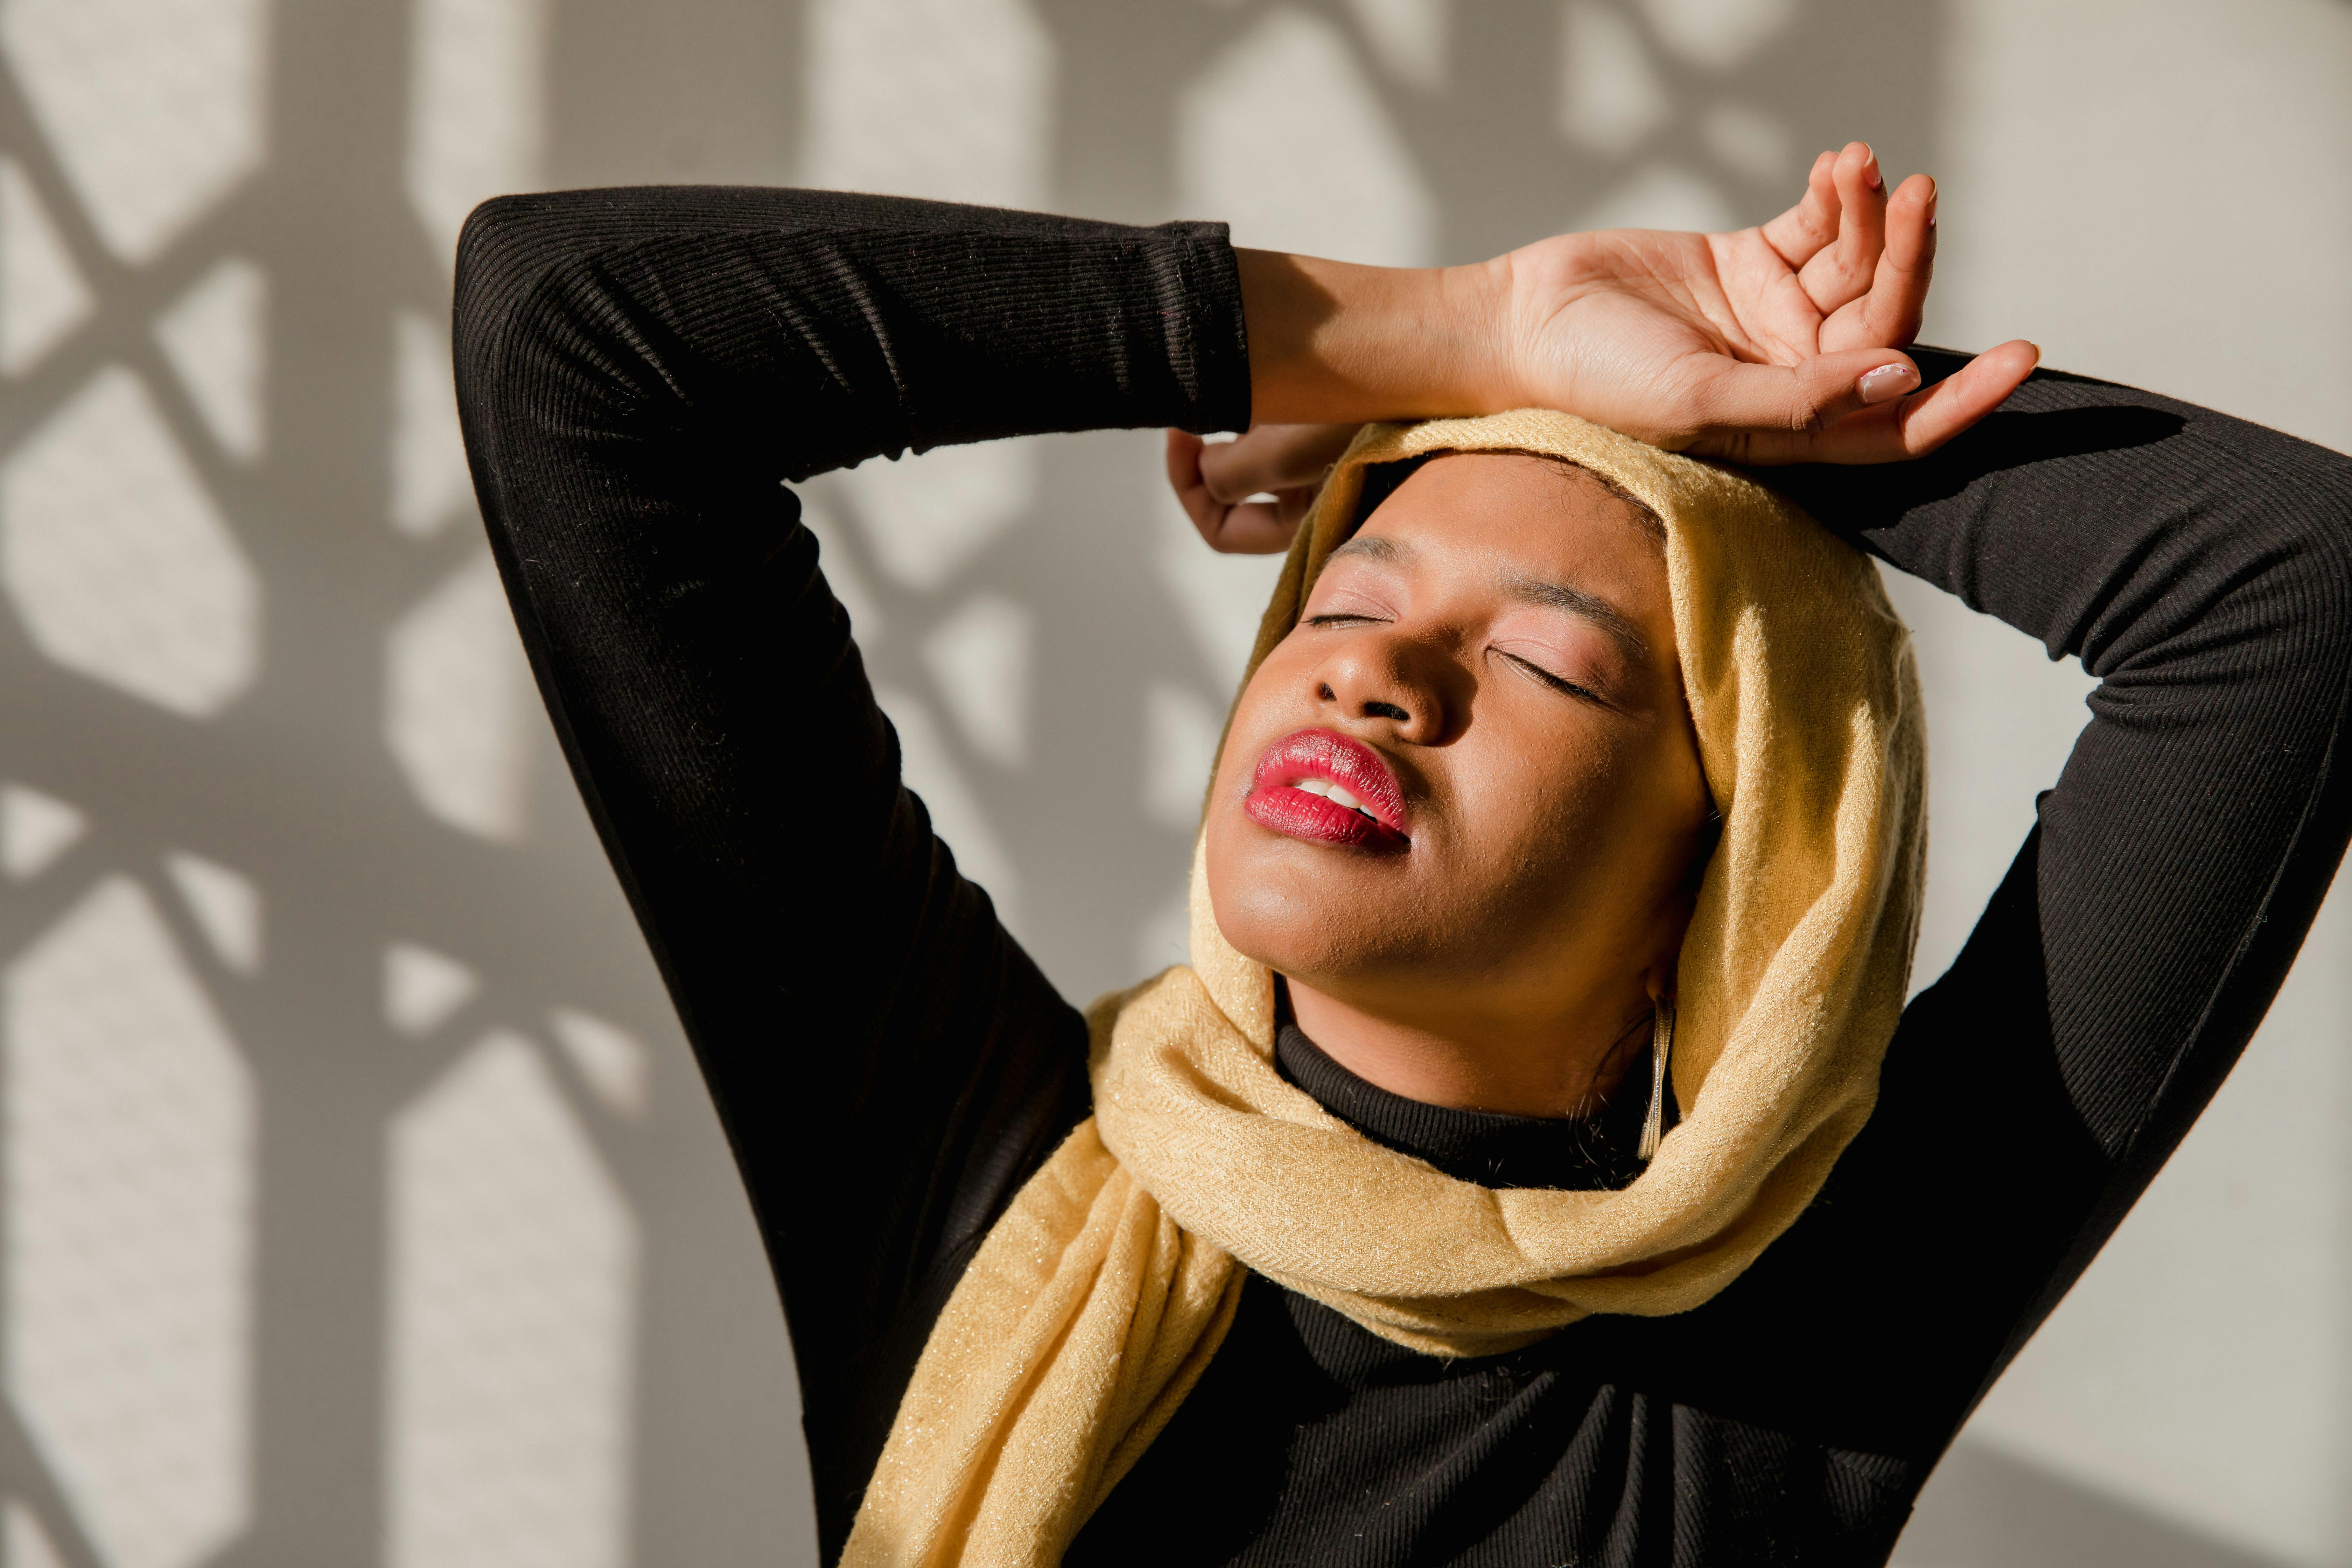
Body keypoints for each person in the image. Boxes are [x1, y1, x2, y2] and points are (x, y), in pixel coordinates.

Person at [452, 142, 2352, 1567]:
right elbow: (577, 335)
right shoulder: (979, 1174)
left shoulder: (1773, 1366)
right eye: (1347, 599)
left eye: (1546, 662)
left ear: (1724, 884)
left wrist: (1751, 423)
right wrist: (1469, 339)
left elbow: (2293, 586)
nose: (1372, 673)